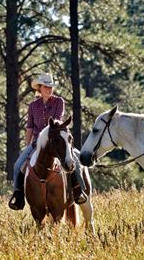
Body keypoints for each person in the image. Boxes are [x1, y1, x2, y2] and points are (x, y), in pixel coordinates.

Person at [8, 73, 87, 210]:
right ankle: (18, 195)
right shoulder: (33, 106)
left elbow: (57, 121)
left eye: (50, 87)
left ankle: (78, 190)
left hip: (57, 141)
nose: (49, 89)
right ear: (40, 87)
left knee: (75, 162)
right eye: (46, 87)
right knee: (17, 166)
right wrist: (28, 146)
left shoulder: (59, 102)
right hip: (37, 142)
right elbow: (30, 127)